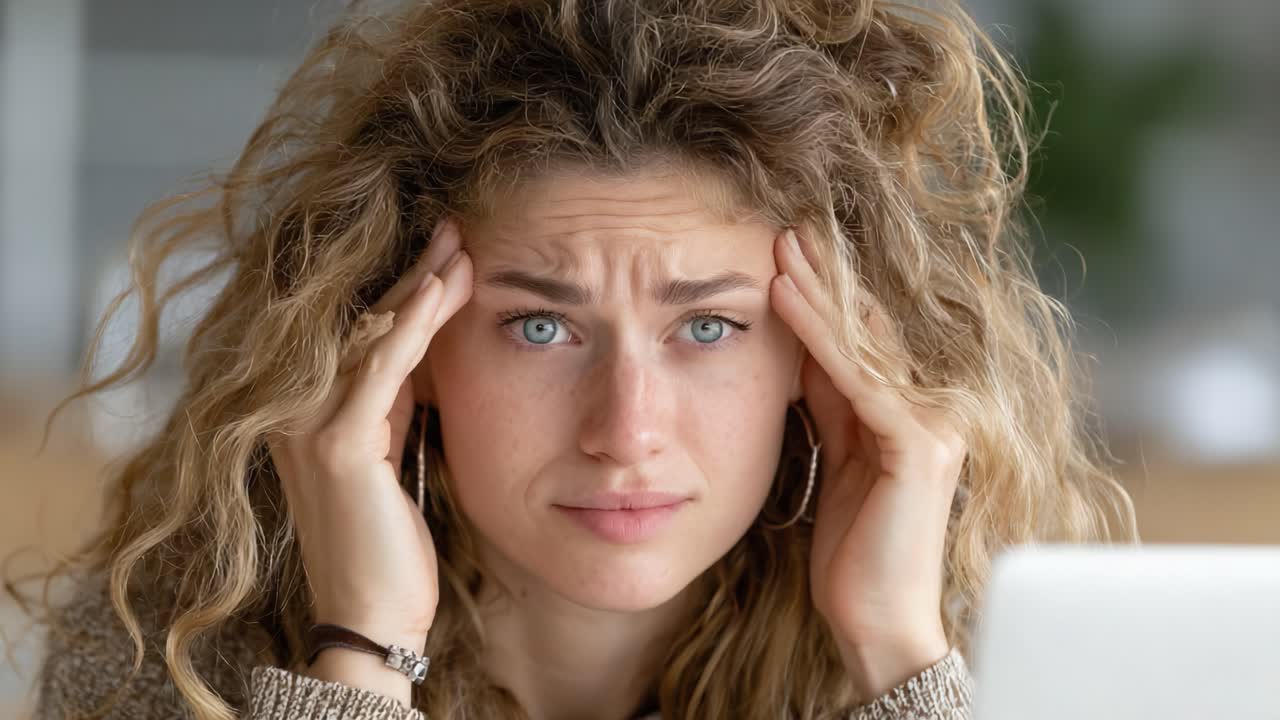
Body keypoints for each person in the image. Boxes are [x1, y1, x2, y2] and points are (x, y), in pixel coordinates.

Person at [15, 0, 1139, 718]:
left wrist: (895, 659)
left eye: (707, 327)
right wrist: (356, 653)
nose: (625, 428)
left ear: (825, 361)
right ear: (396, 353)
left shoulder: (994, 656)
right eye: (539, 325)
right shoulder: (171, 647)